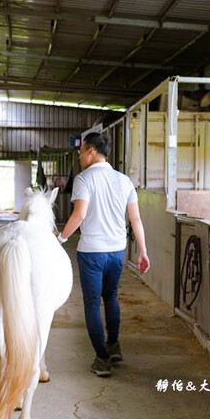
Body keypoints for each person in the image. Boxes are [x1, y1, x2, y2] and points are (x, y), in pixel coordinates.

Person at [57, 132, 150, 377]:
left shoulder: (84, 179)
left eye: (80, 152)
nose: (79, 158)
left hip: (92, 253)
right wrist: (142, 251)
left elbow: (79, 215)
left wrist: (61, 238)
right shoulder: (124, 180)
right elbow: (136, 220)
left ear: (90, 151)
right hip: (117, 251)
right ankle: (114, 346)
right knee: (111, 297)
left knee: (91, 303)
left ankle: (101, 358)